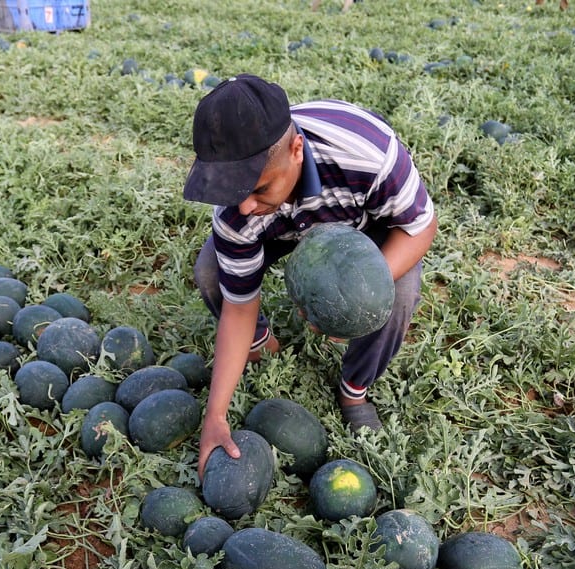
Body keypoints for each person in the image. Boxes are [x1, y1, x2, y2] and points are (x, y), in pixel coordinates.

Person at [183, 74, 437, 477]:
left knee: (399, 292)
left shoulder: (368, 153)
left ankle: (354, 389)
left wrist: (356, 293)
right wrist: (215, 414)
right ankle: (262, 343)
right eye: (235, 192)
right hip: (283, 227)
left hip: (358, 227)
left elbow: (421, 226)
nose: (245, 207)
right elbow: (237, 308)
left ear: (296, 150)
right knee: (211, 271)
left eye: (258, 189)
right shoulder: (239, 211)